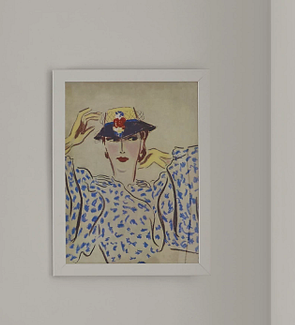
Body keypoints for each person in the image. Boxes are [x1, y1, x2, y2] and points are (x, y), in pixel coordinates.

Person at [64, 104, 200, 264]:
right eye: (113, 140)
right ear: (105, 146)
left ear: (143, 142)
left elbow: (198, 171)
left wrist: (164, 157)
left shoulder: (158, 192)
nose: (122, 148)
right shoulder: (91, 191)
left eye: (131, 139)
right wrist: (69, 142)